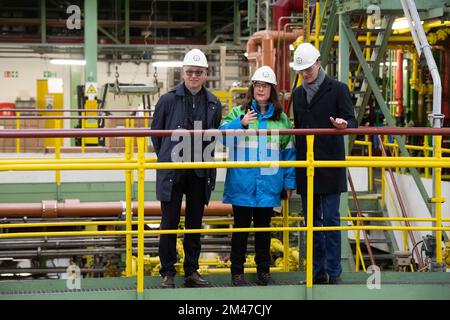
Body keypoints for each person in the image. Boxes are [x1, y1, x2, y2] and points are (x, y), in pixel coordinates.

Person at [151, 49, 222, 288]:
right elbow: (157, 136)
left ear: (205, 74)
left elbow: (213, 135)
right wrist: (169, 158)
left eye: (198, 72)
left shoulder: (213, 103)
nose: (193, 76)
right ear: (183, 73)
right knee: (169, 223)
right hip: (173, 170)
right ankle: (168, 273)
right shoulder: (168, 100)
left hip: (199, 171)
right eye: (190, 72)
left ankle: (191, 271)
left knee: (194, 224)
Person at [219, 66, 296, 286]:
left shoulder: (282, 120)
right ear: (252, 89)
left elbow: (290, 153)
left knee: (264, 232)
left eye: (265, 86)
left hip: (269, 184)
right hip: (242, 183)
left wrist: (289, 183)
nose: (261, 89)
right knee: (240, 232)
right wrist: (240, 124)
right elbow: (222, 138)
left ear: (272, 90)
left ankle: (264, 272)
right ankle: (237, 273)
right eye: (257, 85)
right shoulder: (238, 114)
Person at [292, 42, 358, 285]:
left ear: (319, 63)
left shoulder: (338, 90)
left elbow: (352, 121)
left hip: (330, 164)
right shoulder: (298, 95)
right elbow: (298, 128)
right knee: (312, 222)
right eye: (302, 71)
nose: (306, 74)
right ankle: (317, 272)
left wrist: (344, 125)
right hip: (306, 166)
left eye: (308, 69)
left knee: (330, 219)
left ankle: (334, 272)